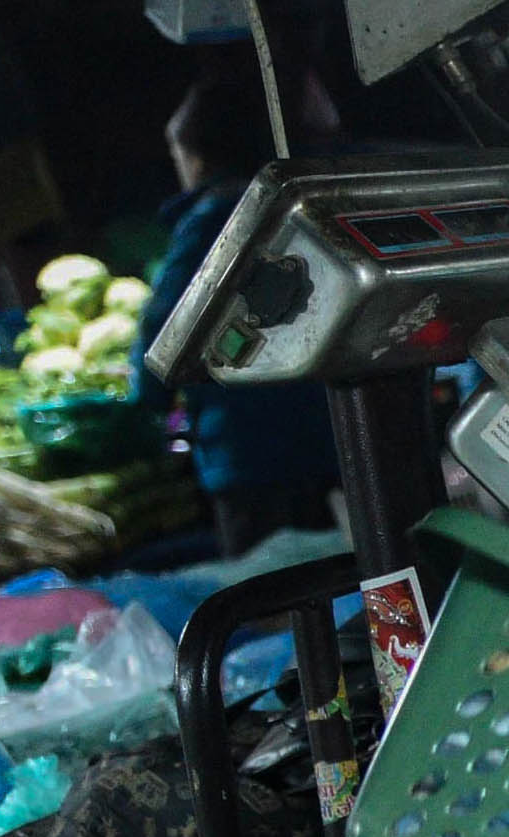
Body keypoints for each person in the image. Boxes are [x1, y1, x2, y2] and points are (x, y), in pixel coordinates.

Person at [126, 61, 343, 556]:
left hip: (250, 457)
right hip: (325, 438)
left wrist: (148, 405)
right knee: (337, 574)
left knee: (270, 589)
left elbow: (163, 338)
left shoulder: (208, 226)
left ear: (197, 158)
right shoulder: (297, 208)